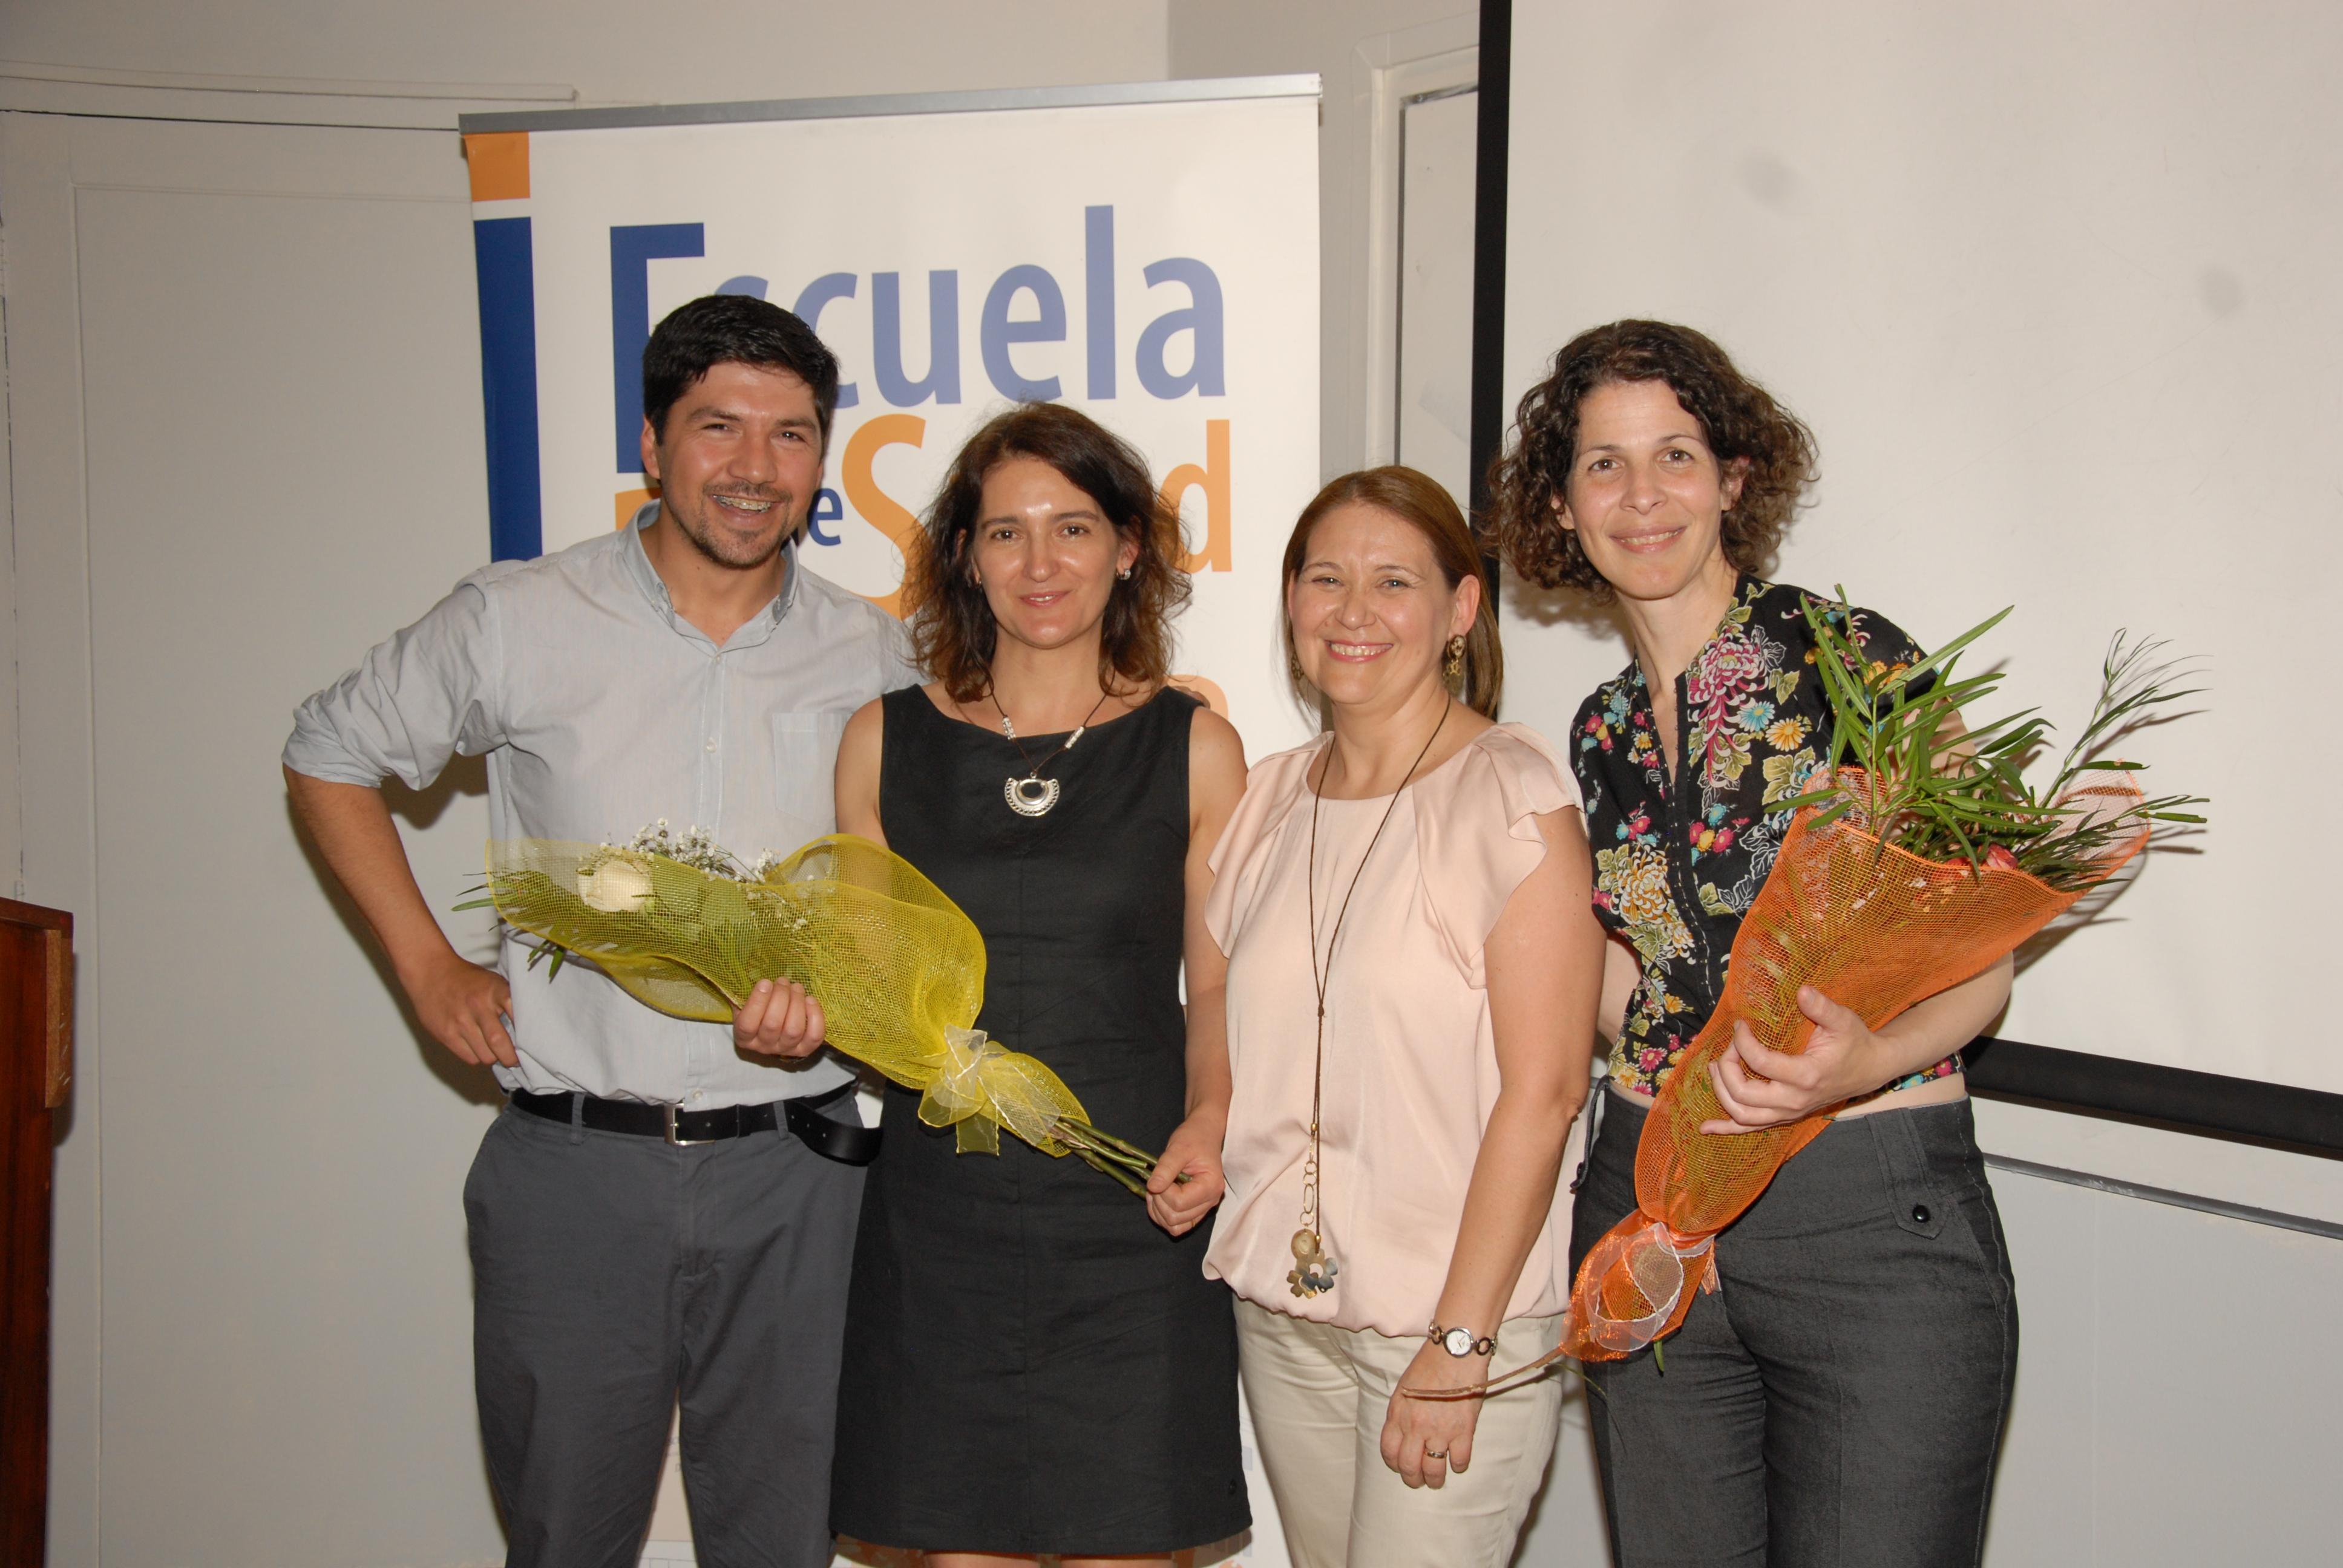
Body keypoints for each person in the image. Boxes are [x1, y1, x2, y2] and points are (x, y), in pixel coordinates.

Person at [283, 294, 914, 1567]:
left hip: (799, 1181)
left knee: (784, 1543)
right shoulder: (521, 617)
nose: (753, 469)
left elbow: (891, 899)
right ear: (653, 443)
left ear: (819, 461)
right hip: (575, 1174)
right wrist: (424, 969)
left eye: (790, 436)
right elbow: (327, 753)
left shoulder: (876, 655)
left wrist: (841, 997)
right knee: (565, 1539)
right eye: (717, 428)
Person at [1489, 319, 2020, 1567]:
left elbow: (1981, 965)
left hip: (1864, 1216)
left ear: (1734, 477)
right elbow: (1640, 986)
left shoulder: (1856, 661)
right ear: (1561, 508)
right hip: (1655, 1205)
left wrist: (1857, 1062)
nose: (1640, 495)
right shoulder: (1602, 726)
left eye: (1674, 455)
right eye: (1602, 466)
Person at [758, 402, 1251, 1567]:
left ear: (1129, 547)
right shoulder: (882, 740)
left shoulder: (1196, 746)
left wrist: (1213, 1122)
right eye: (1006, 533)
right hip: (946, 1226)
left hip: (1136, 1214)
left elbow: (1221, 991)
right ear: (966, 559)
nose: (1041, 564)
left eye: (1074, 529)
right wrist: (801, 1002)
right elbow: (877, 1004)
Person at [1185, 467, 1605, 1568]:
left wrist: (1460, 1343)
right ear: (1289, 603)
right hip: (1288, 1313)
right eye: (1325, 579)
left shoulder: (1509, 798)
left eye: (1392, 582)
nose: (1353, 612)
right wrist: (1206, 1116)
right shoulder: (1271, 797)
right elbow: (1223, 991)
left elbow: (1550, 1088)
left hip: (1452, 1325)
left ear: (1461, 611)